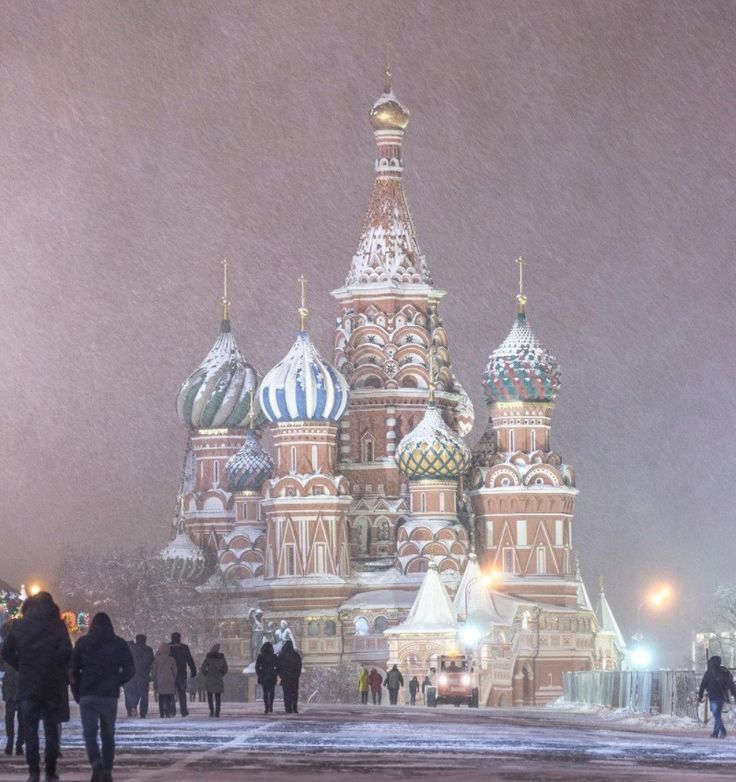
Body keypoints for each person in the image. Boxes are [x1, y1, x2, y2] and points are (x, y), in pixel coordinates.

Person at [0, 591, 72, 782]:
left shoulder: (21, 626)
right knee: (50, 729)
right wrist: (56, 668)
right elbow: (67, 652)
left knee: (30, 729)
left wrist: (22, 665)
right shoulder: (57, 626)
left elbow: (6, 652)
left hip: (28, 685)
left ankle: (33, 770)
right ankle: (50, 769)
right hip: (51, 684)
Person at [70, 612, 135, 782]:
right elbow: (130, 669)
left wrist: (77, 692)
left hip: (88, 693)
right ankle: (107, 770)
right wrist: (117, 681)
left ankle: (96, 762)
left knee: (90, 733)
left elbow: (72, 670)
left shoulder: (83, 643)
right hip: (108, 695)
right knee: (108, 734)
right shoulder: (118, 643)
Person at [0, 621, 24, 756]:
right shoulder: (5, 647)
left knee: (17, 717)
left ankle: (17, 744)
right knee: (17, 718)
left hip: (16, 686)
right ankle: (14, 743)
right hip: (15, 686)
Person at [698, 655, 736, 738]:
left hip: (713, 697)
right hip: (722, 696)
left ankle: (723, 730)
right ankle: (715, 733)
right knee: (717, 714)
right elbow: (731, 685)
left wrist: (700, 695)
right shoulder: (724, 671)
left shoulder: (709, 672)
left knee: (716, 715)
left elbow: (703, 685)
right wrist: (734, 694)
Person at [168, 632, 197, 716]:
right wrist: (193, 670)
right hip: (181, 672)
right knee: (182, 692)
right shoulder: (184, 647)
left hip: (171, 673)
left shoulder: (168, 647)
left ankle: (171, 710)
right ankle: (183, 711)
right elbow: (189, 660)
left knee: (171, 693)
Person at [126, 635, 154, 718]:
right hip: (143, 675)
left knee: (130, 693)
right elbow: (151, 662)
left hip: (131, 675)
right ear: (145, 640)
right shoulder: (148, 649)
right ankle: (143, 713)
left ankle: (131, 708)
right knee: (144, 695)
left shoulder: (131, 649)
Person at [201, 643, 228, 718]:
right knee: (218, 696)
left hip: (209, 678)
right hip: (218, 678)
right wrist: (221, 674)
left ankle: (211, 711)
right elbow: (225, 668)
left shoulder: (208, 658)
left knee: (209, 696)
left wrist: (207, 674)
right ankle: (217, 712)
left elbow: (203, 668)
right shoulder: (222, 658)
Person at [151, 642, 177, 718]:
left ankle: (162, 713)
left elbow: (153, 671)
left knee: (161, 697)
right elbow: (175, 671)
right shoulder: (171, 659)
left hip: (160, 680)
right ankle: (168, 712)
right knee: (169, 697)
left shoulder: (156, 659)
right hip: (170, 680)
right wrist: (173, 678)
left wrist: (154, 678)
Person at [277, 639, 302, 714]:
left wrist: (282, 675)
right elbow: (299, 666)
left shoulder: (282, 655)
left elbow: (279, 667)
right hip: (294, 679)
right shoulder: (296, 655)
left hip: (286, 679)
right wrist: (297, 675)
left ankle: (288, 708)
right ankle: (294, 708)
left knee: (287, 694)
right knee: (294, 693)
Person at [255, 641, 278, 714]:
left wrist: (259, 673)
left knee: (265, 692)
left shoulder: (261, 656)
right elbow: (278, 666)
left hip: (264, 676)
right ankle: (271, 706)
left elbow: (257, 667)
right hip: (272, 676)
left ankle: (266, 707)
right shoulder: (274, 656)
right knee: (272, 692)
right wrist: (275, 672)